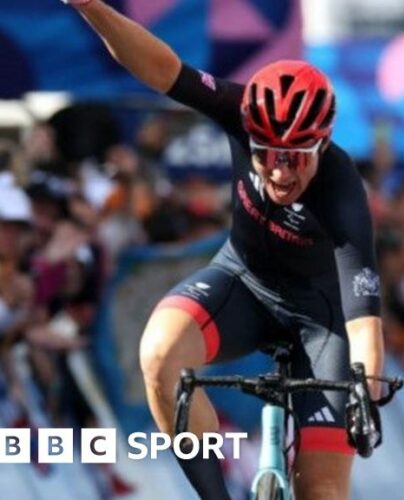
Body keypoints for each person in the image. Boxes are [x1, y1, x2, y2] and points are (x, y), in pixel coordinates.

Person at [62, 1, 384, 499]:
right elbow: (162, 69)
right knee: (160, 355)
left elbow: (363, 312)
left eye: (295, 158)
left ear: (321, 145)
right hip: (244, 284)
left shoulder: (341, 190)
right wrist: (90, 6)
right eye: (264, 154)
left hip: (322, 322)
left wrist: (367, 387)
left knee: (321, 491)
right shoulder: (241, 111)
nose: (278, 171)